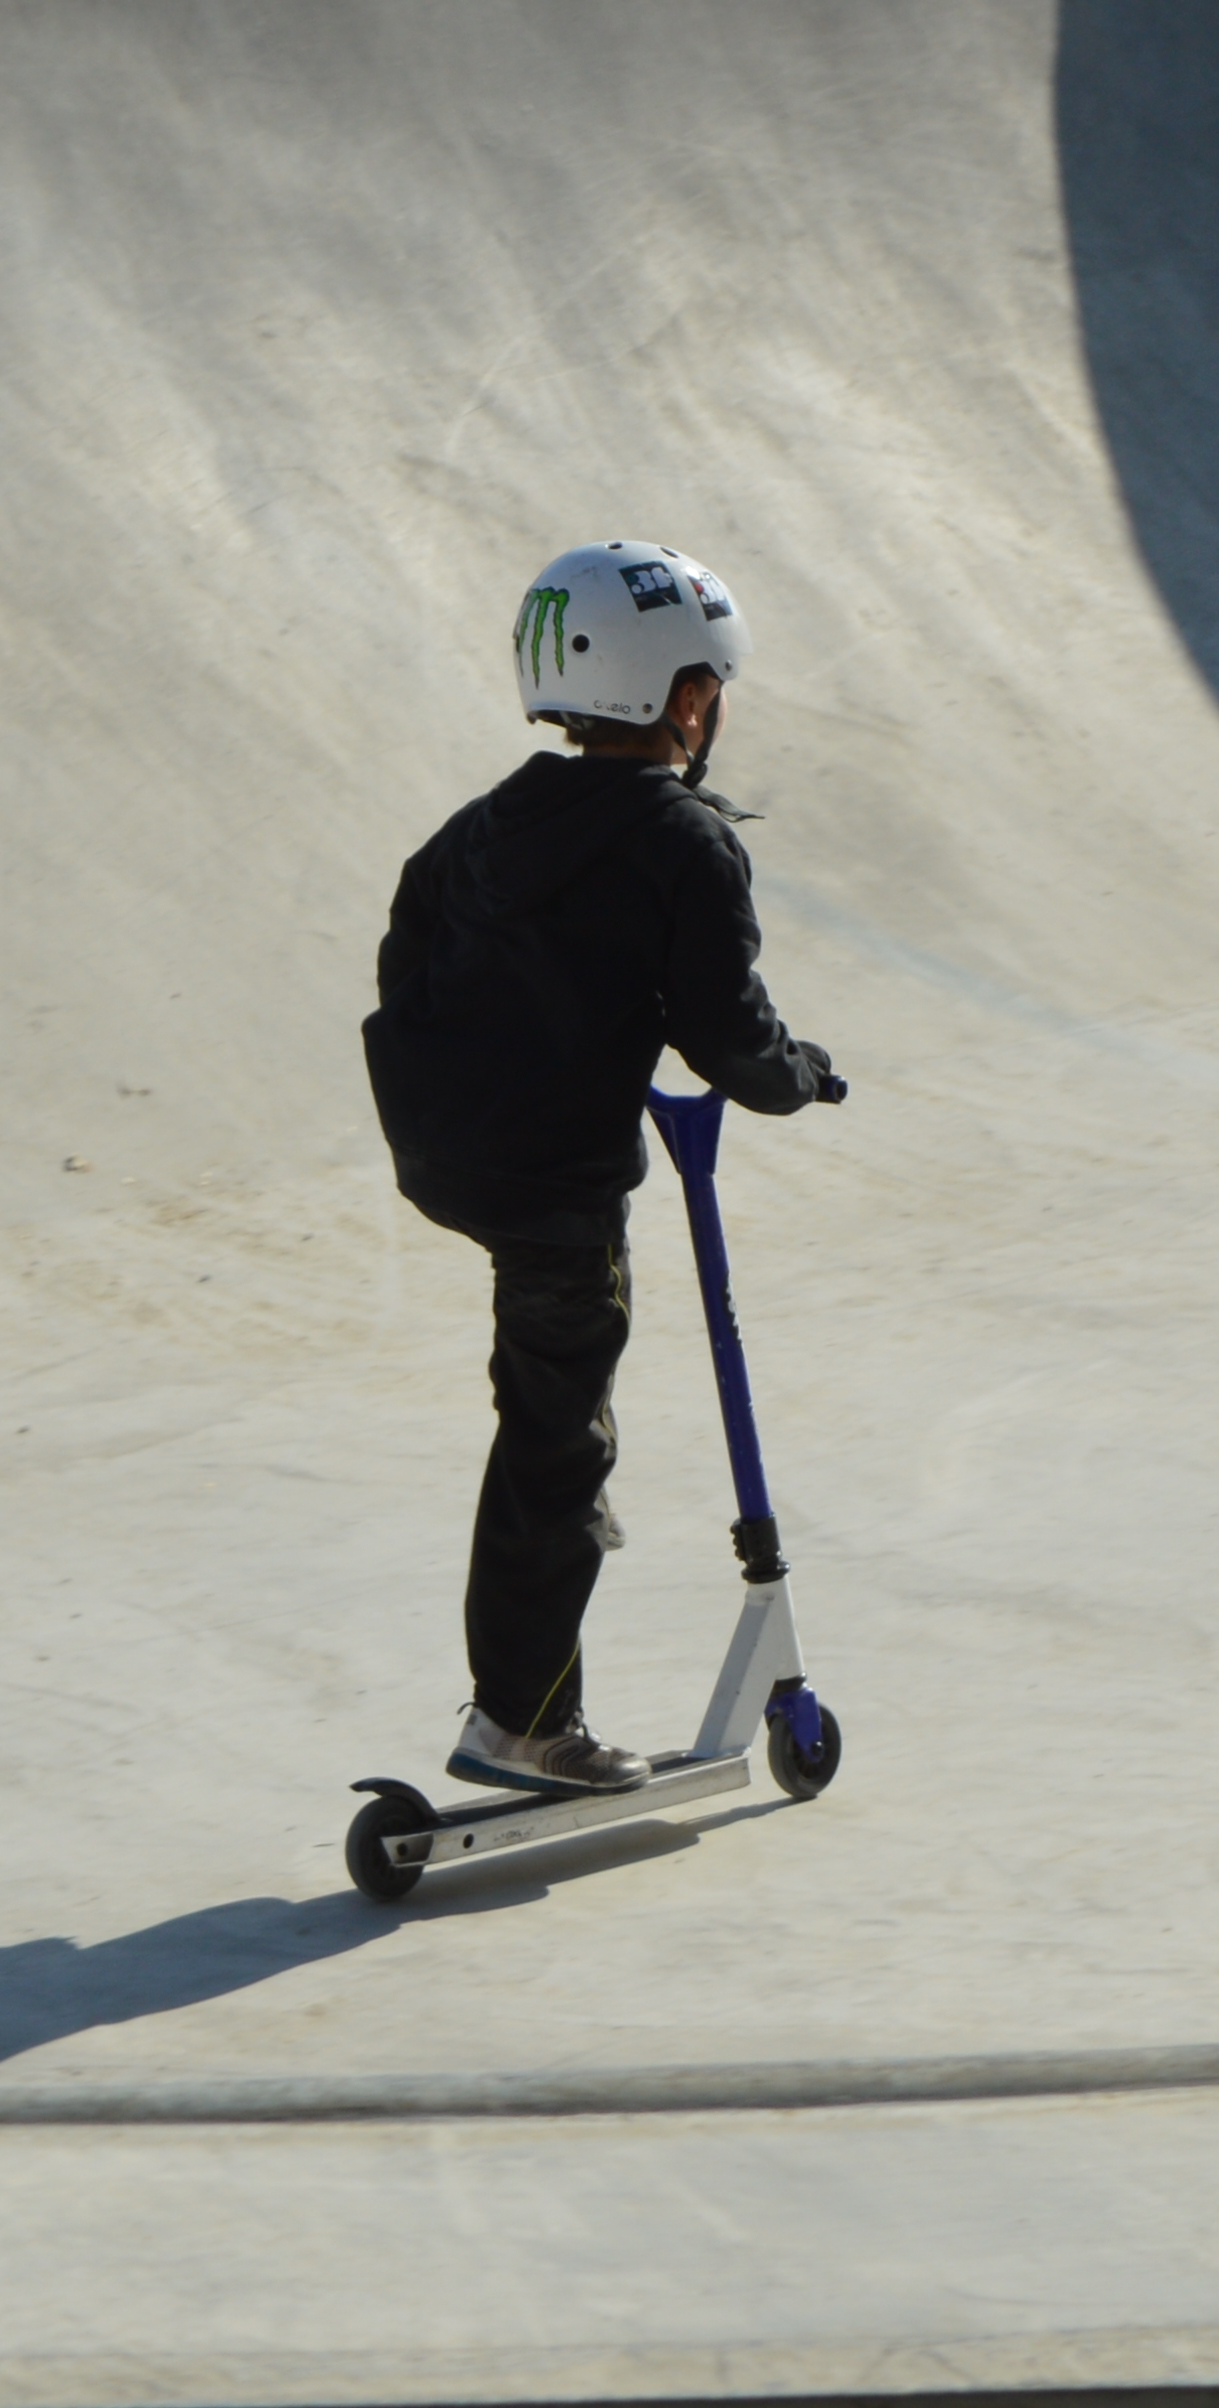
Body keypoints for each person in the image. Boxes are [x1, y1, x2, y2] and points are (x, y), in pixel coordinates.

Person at [362, 540, 843, 1800]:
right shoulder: (684, 842)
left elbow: (408, 940)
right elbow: (730, 1038)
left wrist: (506, 1056)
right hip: (554, 1180)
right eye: (712, 684)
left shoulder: (490, 822)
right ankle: (521, 1721)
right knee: (558, 1435)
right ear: (684, 698)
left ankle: (526, 1697)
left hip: (447, 1145)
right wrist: (803, 1072)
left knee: (542, 1405)